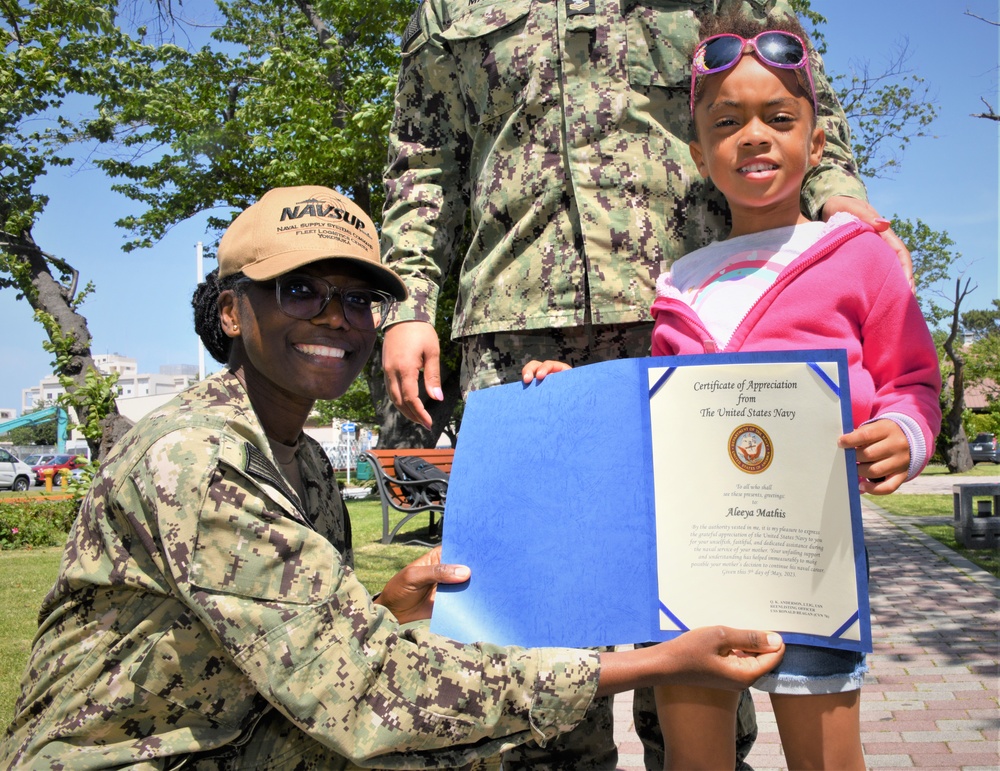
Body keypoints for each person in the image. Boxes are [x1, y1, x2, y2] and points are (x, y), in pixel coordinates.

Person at [0, 185, 787, 770]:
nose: (335, 316)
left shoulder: (302, 461)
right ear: (233, 311)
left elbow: (297, 655)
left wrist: (383, 605)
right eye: (299, 289)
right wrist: (657, 662)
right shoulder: (197, 457)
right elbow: (366, 690)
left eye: (359, 297)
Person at [380, 4, 907, 765]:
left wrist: (840, 196)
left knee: (709, 645)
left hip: (694, 316)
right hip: (519, 340)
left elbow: (795, 80)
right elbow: (421, 155)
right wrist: (410, 301)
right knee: (535, 645)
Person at [524, 12, 941, 769]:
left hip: (813, 555)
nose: (755, 135)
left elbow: (913, 378)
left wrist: (905, 435)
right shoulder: (678, 281)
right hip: (696, 567)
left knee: (829, 761)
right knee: (696, 760)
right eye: (729, 122)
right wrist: (575, 394)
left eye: (780, 118)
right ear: (699, 152)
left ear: (816, 145)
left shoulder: (861, 257)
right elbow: (658, 412)